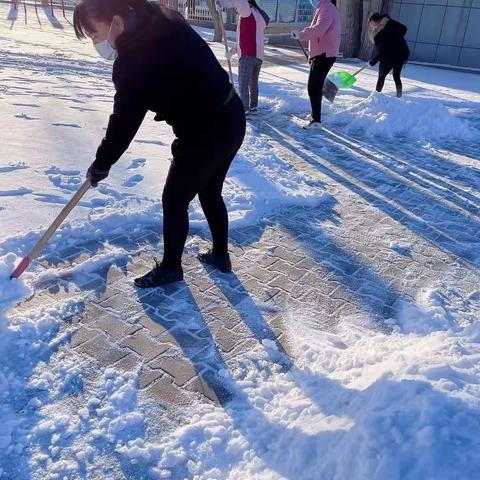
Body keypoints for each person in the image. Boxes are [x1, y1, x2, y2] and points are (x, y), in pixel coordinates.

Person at [73, 0, 246, 288]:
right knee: (209, 190)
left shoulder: (131, 62)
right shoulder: (158, 16)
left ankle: (170, 269)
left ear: (115, 20)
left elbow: (124, 122)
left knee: (175, 198)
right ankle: (219, 256)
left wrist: (102, 163)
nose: (96, 43)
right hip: (231, 115)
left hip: (205, 131)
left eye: (94, 34)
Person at [291, 0, 340, 129]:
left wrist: (301, 34)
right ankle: (315, 115)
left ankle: (316, 120)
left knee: (313, 87)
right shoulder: (323, 7)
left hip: (324, 53)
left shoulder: (327, 8)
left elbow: (319, 29)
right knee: (315, 86)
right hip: (322, 53)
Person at [217, 0, 268, 115]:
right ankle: (253, 107)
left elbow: (239, 1)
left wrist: (222, 4)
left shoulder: (247, 11)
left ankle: (245, 109)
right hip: (258, 56)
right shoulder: (257, 15)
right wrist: (231, 52)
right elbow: (246, 39)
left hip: (248, 55)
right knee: (253, 82)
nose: (237, 10)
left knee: (243, 82)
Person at [368, 13, 410, 98]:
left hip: (388, 57)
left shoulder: (379, 34)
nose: (370, 23)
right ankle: (399, 96)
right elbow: (404, 29)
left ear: (376, 21)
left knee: (381, 77)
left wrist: (372, 62)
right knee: (396, 76)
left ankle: (376, 96)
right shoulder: (391, 25)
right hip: (400, 55)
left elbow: (382, 51)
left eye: (371, 21)